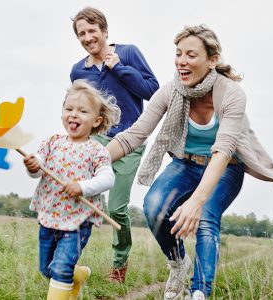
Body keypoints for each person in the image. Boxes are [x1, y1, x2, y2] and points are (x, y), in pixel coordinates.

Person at [107, 25, 273, 299]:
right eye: (178, 54)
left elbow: (224, 150)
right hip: (185, 164)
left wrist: (196, 201)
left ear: (212, 60)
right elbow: (135, 134)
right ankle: (179, 263)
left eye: (191, 55)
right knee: (154, 206)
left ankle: (200, 291)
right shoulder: (171, 91)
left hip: (226, 167)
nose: (182, 61)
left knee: (206, 216)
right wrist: (89, 160)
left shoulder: (231, 94)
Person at [70, 6, 159, 283]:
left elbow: (153, 91)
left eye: (92, 31)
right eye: (81, 33)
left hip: (130, 140)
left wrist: (118, 67)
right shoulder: (77, 71)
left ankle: (119, 266)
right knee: (77, 198)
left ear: (104, 31)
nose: (87, 37)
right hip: (95, 142)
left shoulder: (129, 53)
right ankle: (67, 260)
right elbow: (78, 109)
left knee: (117, 208)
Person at [24, 80, 121, 300]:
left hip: (78, 220)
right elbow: (38, 169)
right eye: (69, 109)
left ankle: (66, 275)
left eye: (82, 111)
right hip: (49, 215)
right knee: (46, 269)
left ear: (97, 120)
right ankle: (77, 274)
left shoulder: (97, 151)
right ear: (62, 114)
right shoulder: (51, 143)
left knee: (59, 268)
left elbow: (108, 179)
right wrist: (33, 166)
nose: (74, 115)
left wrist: (82, 187)